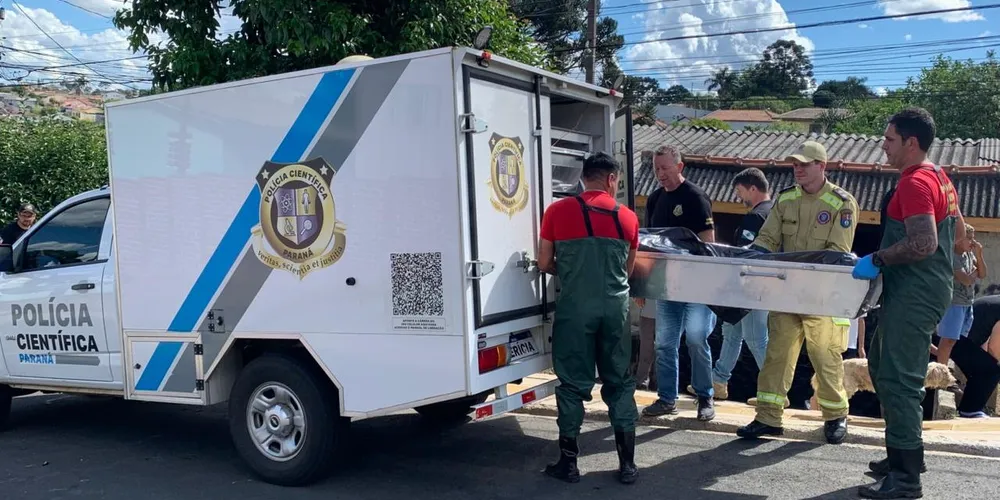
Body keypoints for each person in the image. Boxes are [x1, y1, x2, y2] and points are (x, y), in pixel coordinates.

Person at [852, 108, 962, 499]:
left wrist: (876, 259)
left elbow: (923, 243)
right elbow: (957, 234)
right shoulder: (940, 177)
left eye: (889, 140)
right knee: (883, 367)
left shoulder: (915, 183)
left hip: (915, 292)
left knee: (899, 380)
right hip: (920, 289)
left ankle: (905, 478)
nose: (883, 146)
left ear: (910, 143)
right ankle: (904, 452)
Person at [736, 140, 858, 445]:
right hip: (787, 293)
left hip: (822, 294)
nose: (798, 169)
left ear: (822, 166)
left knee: (824, 356)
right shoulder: (785, 199)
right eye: (795, 164)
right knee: (777, 355)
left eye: (804, 164)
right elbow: (766, 240)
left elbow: (837, 253)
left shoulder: (842, 203)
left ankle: (835, 417)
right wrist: (747, 262)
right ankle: (767, 417)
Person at [537, 151, 640, 485]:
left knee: (572, 384)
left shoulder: (556, 211)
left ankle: (568, 465)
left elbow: (543, 262)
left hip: (575, 309)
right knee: (620, 383)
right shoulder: (627, 217)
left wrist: (569, 271)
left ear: (584, 177)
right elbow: (628, 268)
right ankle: (628, 465)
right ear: (611, 179)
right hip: (615, 309)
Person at [640, 144, 719, 422]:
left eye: (664, 168)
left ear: (679, 167)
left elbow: (708, 244)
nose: (660, 174)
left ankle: (705, 395)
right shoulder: (654, 199)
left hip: (697, 285)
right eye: (656, 169)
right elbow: (647, 244)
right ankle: (666, 398)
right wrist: (643, 286)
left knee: (697, 338)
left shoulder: (696, 198)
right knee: (664, 343)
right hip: (666, 285)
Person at [706, 168, 773, 399]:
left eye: (740, 191)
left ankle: (773, 389)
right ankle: (718, 381)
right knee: (731, 331)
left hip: (749, 284)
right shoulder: (775, 211)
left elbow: (745, 254)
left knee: (755, 338)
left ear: (753, 188)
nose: (739, 197)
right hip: (764, 283)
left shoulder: (756, 216)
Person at [934, 223, 987, 367]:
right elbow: (966, 280)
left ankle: (950, 370)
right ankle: (941, 372)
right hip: (954, 304)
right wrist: (975, 271)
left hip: (967, 304)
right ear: (958, 239)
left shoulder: (969, 254)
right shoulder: (952, 257)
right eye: (969, 238)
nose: (973, 242)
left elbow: (982, 274)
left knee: (959, 342)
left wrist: (979, 256)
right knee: (948, 341)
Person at [942, 294, 1000, 419]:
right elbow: (994, 349)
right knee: (990, 370)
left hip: (952, 336)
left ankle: (970, 409)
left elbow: (986, 342)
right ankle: (970, 410)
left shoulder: (995, 304)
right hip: (951, 338)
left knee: (986, 367)